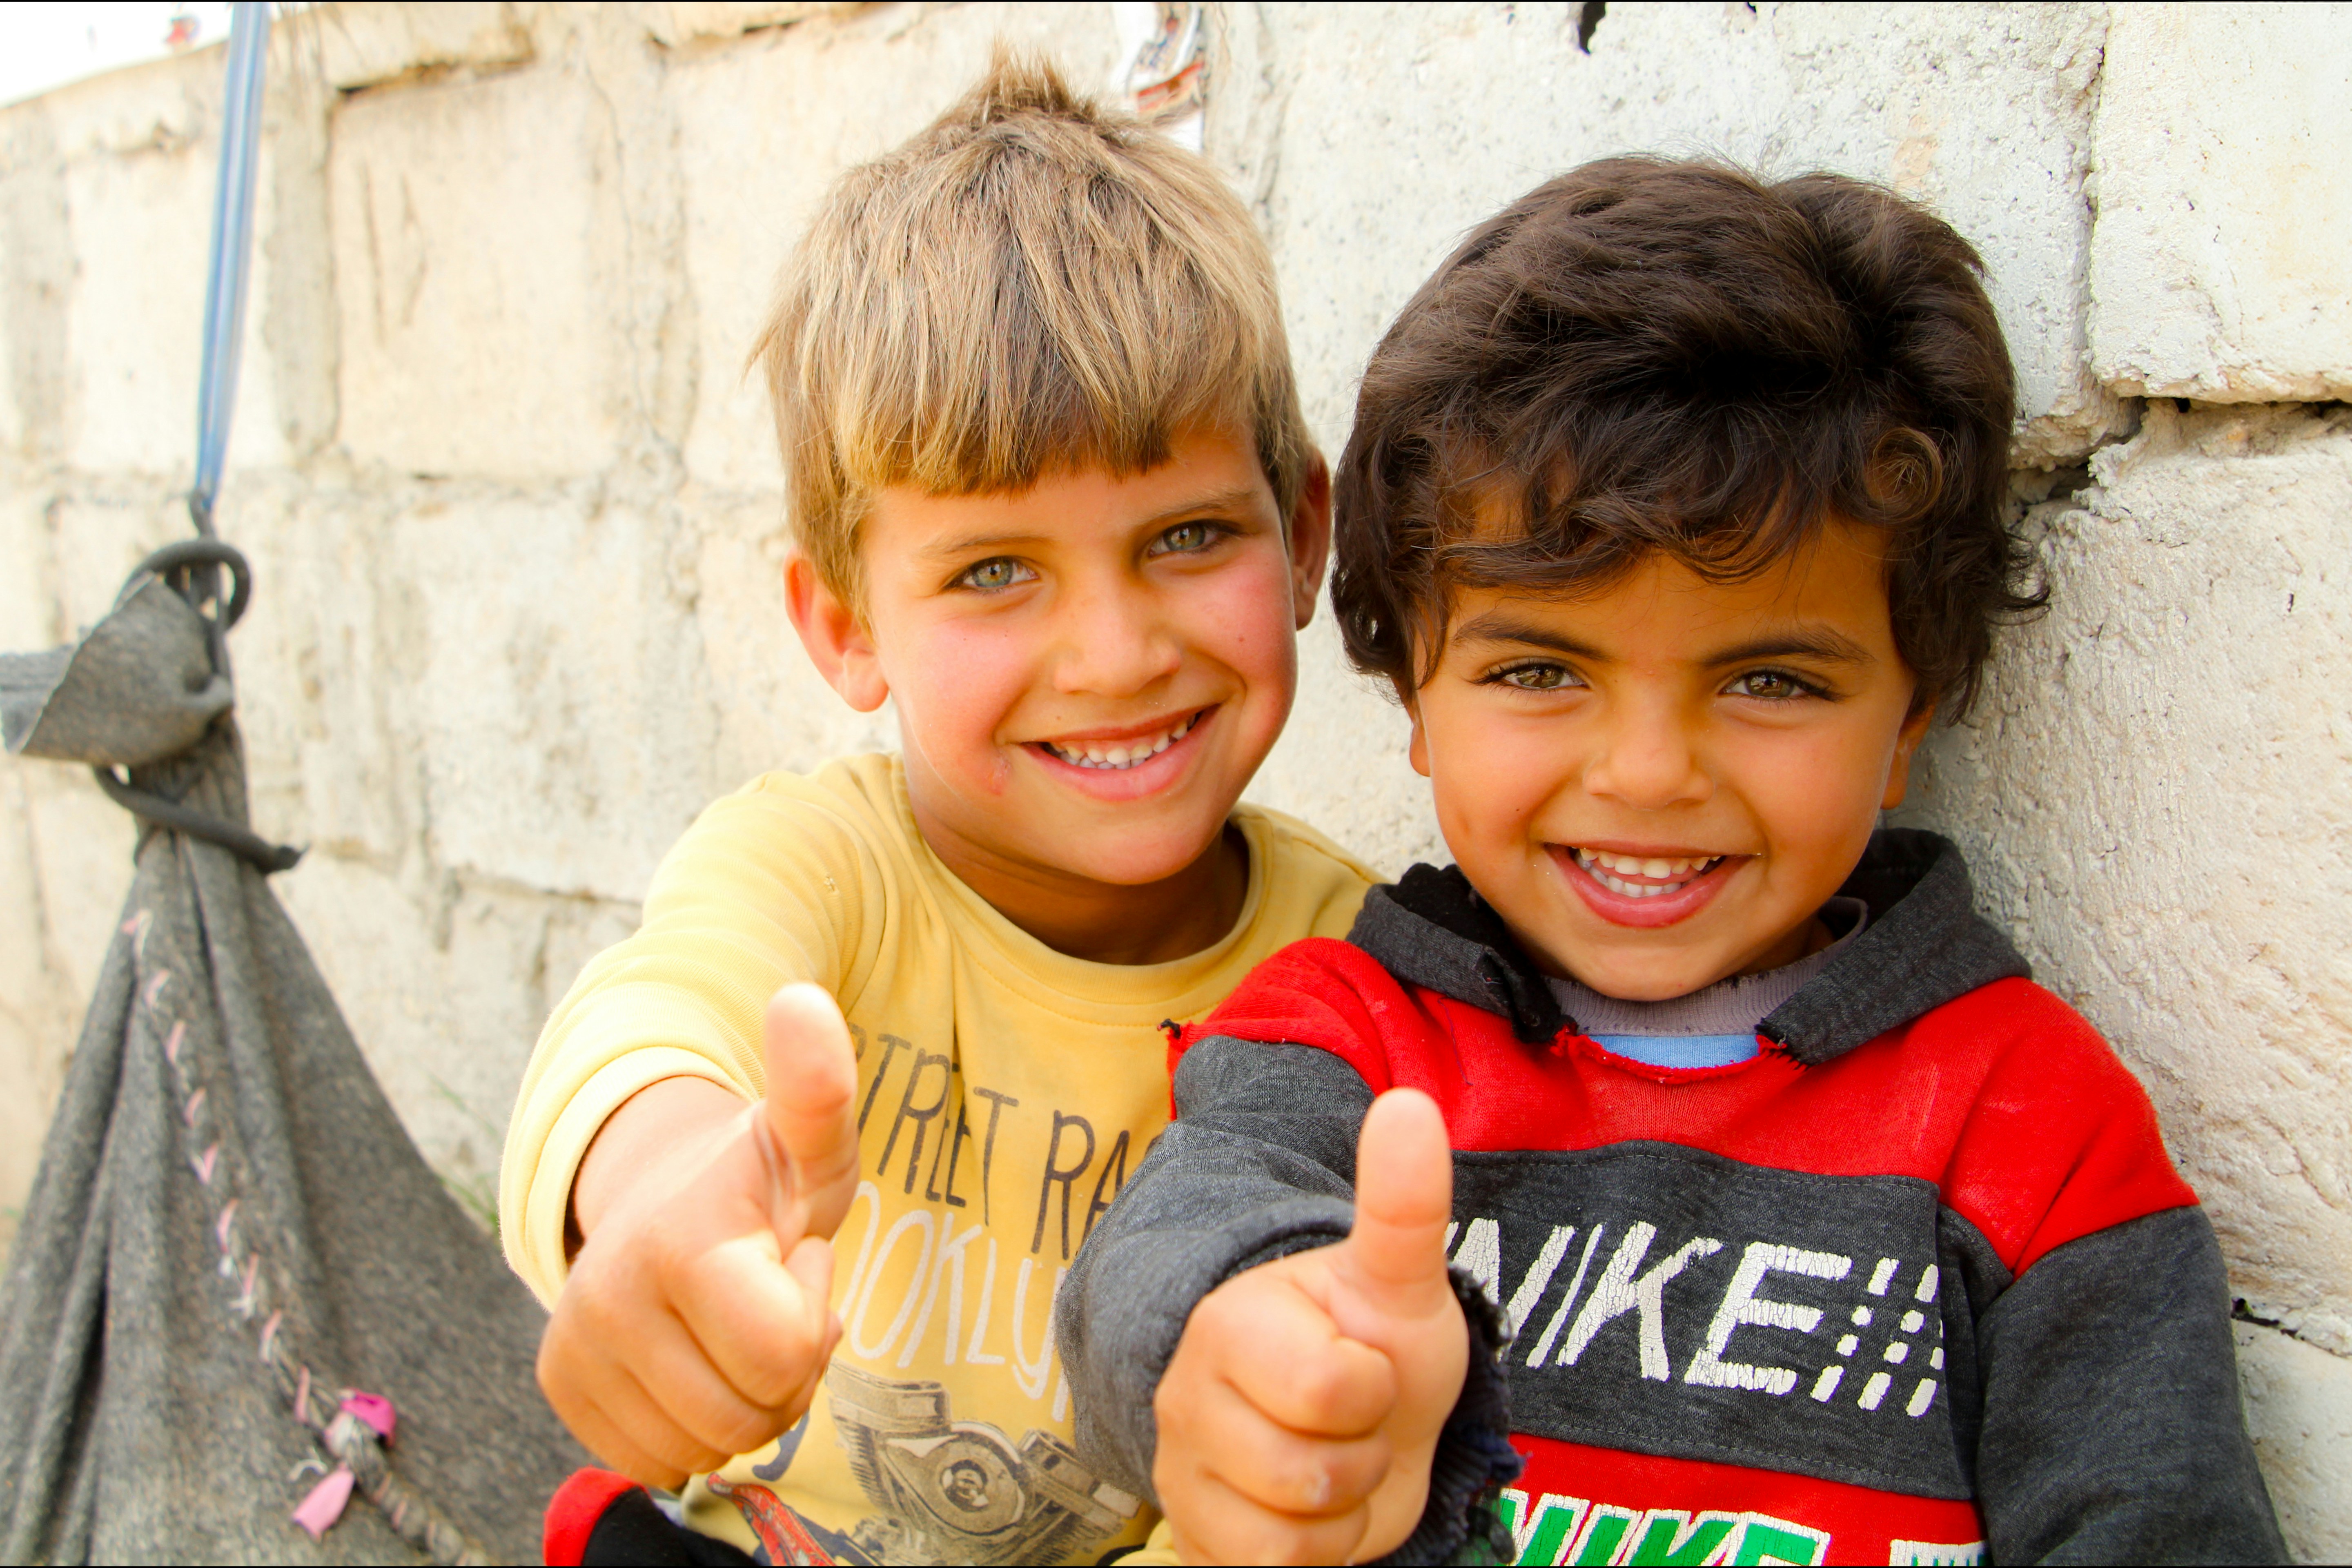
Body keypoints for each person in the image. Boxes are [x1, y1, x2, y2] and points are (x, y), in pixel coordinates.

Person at [1058, 158, 2286, 1566]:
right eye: (1539, 671)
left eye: (1770, 682)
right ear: (1415, 699)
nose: (1647, 774)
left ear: (1912, 718)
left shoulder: (2031, 1125)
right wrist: (1236, 1347)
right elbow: (1172, 1243)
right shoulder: (1344, 1039)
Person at [501, 53, 1378, 1567]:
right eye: (994, 571)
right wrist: (654, 1195)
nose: (1114, 655)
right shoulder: (821, 865)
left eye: (1185, 537)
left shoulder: (1359, 971)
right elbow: (659, 1013)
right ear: (846, 625)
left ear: (1302, 534)